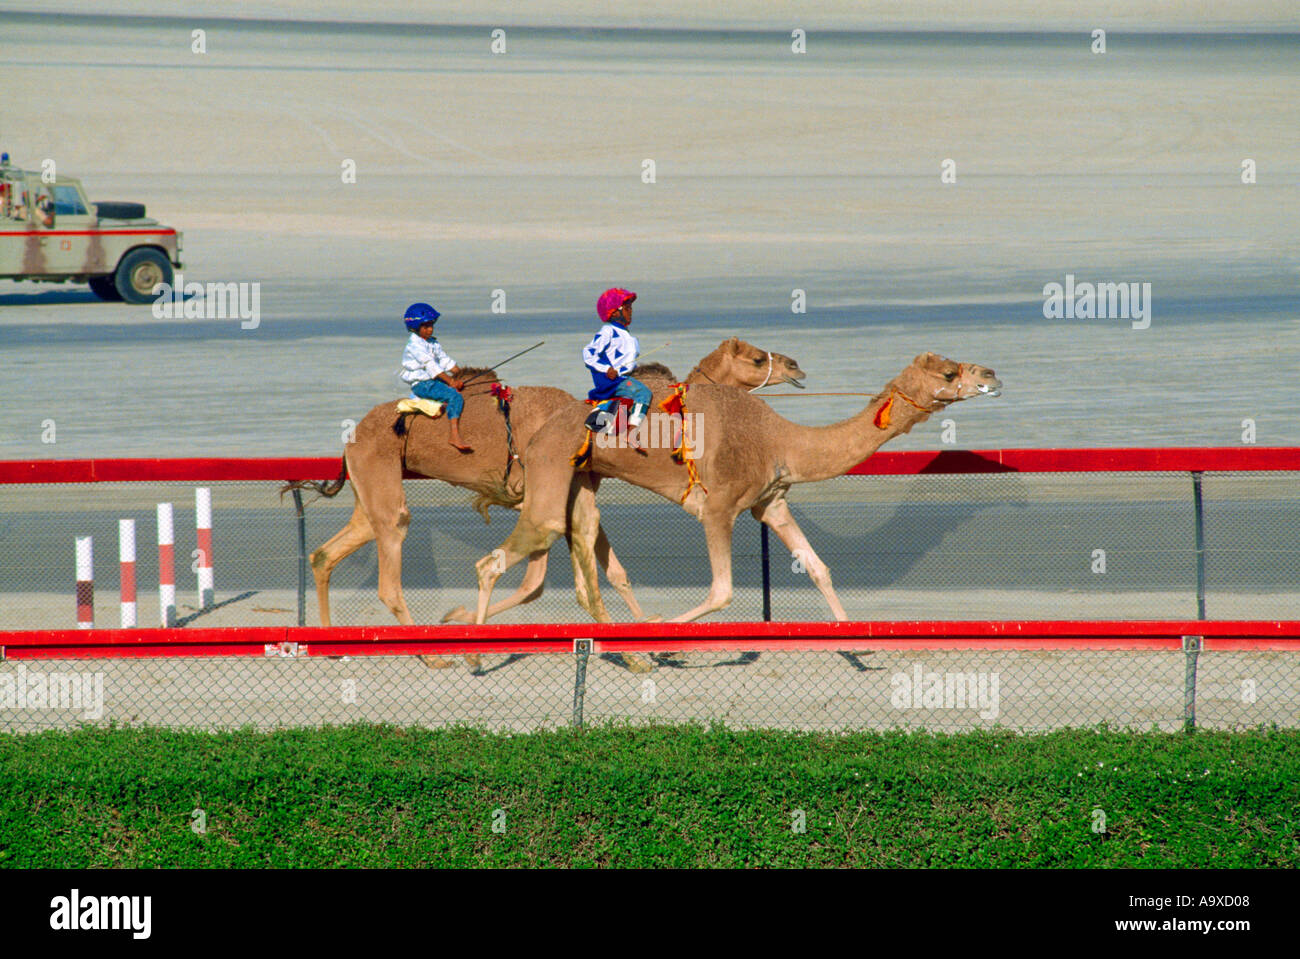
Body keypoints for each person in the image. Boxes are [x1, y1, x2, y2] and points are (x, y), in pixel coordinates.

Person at [583, 287, 652, 450]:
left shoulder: (628, 336)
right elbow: (588, 353)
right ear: (614, 312)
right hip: (613, 380)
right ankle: (632, 432)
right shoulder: (608, 331)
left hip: (622, 377)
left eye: (631, 307)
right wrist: (606, 369)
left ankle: (610, 412)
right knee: (644, 393)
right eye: (627, 308)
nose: (631, 311)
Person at [398, 302, 472, 452]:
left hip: (434, 379)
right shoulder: (414, 345)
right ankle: (454, 435)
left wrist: (461, 374)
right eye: (426, 326)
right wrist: (451, 381)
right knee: (454, 397)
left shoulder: (433, 343)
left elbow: (445, 361)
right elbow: (431, 366)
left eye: (431, 325)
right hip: (423, 384)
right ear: (415, 328)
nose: (430, 329)